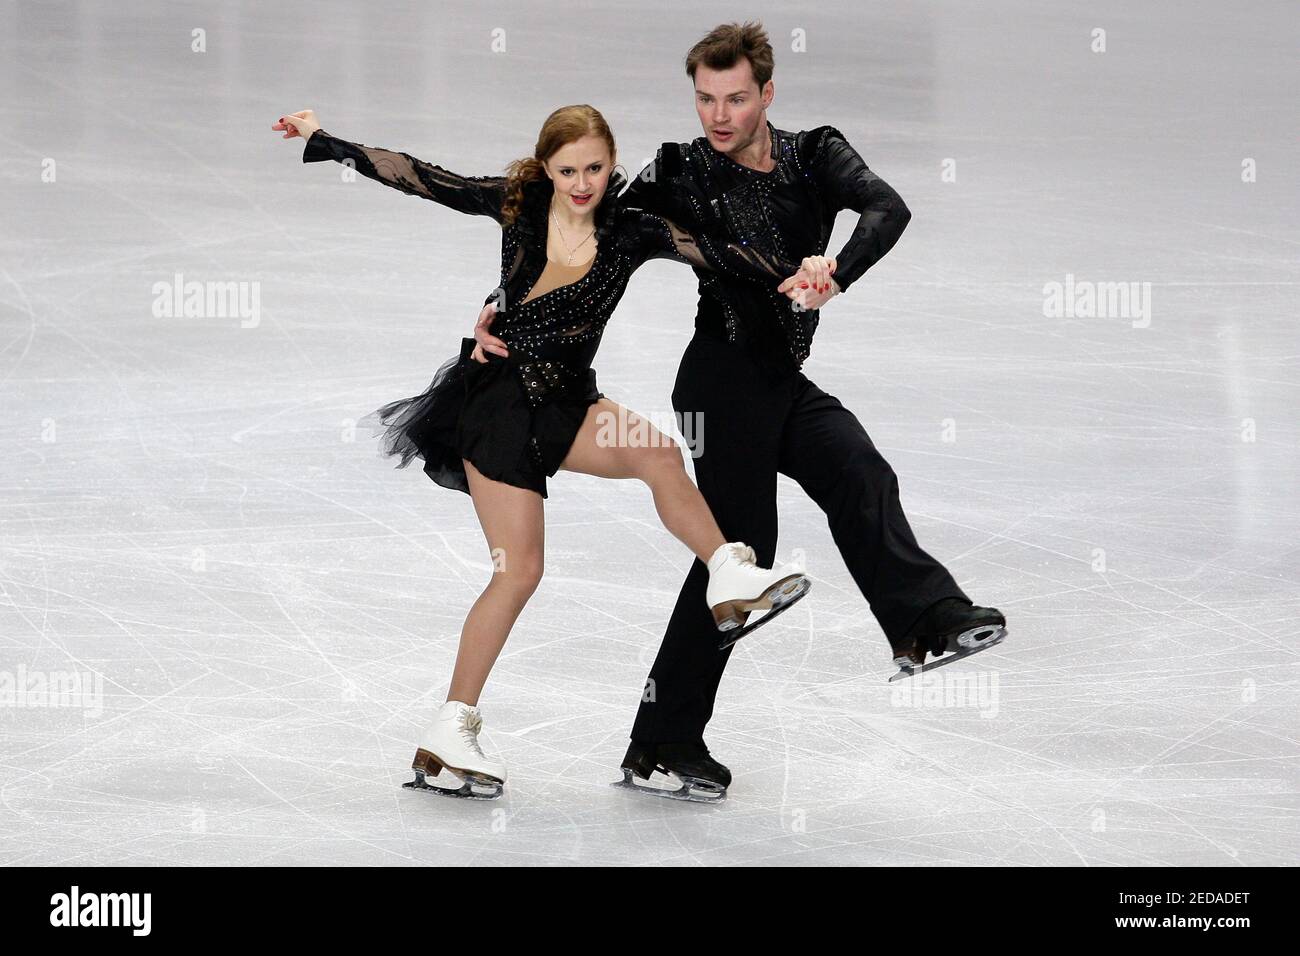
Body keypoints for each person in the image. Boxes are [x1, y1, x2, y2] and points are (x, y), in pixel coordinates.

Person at [472, 22, 1009, 800]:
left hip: (782, 378)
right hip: (719, 382)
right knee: (739, 555)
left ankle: (928, 622)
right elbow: (585, 222)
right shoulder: (681, 170)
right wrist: (506, 305)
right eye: (704, 99)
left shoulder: (815, 153)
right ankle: (661, 743)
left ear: (766, 93)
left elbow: (887, 210)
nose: (718, 115)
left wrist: (837, 274)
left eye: (734, 98)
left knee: (858, 468)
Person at [274, 104, 814, 799]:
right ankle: (450, 729)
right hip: (496, 407)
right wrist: (326, 139)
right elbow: (422, 178)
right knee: (518, 570)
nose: (582, 182)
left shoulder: (631, 229)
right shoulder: (517, 204)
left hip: (565, 404)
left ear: (611, 164)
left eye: (594, 167)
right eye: (568, 170)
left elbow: (718, 253)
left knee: (656, 453)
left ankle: (729, 575)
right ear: (546, 167)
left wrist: (800, 274)